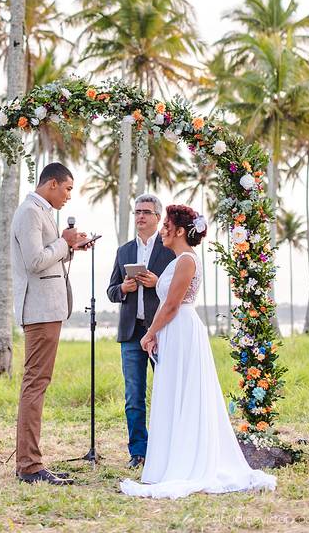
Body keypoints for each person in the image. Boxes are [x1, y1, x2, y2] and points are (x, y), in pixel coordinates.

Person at [120, 204, 277, 498]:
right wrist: (156, 333)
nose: (163, 230)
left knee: (185, 392)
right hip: (174, 331)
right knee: (172, 392)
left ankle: (186, 461)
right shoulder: (178, 260)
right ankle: (167, 460)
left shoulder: (186, 261)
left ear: (179, 231)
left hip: (181, 330)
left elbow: (171, 305)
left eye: (166, 225)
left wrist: (150, 334)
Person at [11, 162, 90, 486]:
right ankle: (29, 466)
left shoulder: (40, 212)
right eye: (68, 188)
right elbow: (34, 261)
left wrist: (72, 247)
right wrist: (64, 243)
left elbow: (48, 257)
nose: (69, 196)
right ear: (53, 184)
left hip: (50, 311)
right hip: (40, 311)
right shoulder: (31, 211)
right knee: (35, 384)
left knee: (38, 383)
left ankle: (30, 462)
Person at [107, 194, 175, 468]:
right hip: (131, 333)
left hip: (161, 331)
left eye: (146, 212)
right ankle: (138, 453)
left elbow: (179, 291)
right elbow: (111, 291)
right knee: (134, 396)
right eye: (137, 212)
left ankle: (166, 449)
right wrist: (124, 289)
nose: (140, 217)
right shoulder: (123, 251)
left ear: (158, 217)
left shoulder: (169, 249)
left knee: (165, 392)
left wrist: (157, 282)